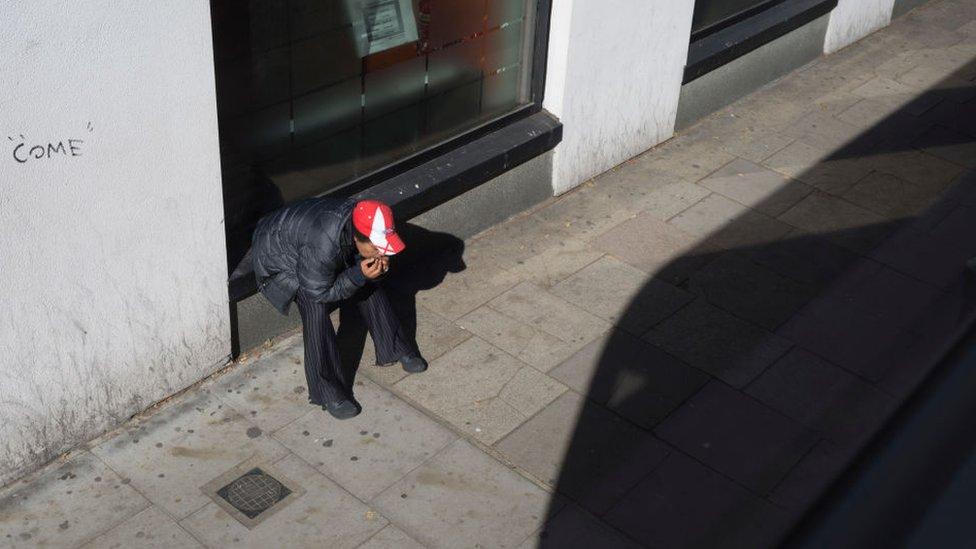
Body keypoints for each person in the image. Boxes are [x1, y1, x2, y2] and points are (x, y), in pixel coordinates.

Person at [250, 197, 427, 419]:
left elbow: (355, 260)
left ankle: (395, 347)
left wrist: (366, 273)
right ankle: (327, 391)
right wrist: (357, 275)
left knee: (365, 280)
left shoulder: (358, 219)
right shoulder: (323, 244)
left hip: (311, 248)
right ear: (357, 236)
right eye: (376, 247)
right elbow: (320, 293)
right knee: (314, 305)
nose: (380, 252)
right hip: (279, 263)